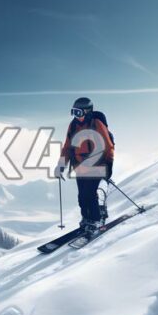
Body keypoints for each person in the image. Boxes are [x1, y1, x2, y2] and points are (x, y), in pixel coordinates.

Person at [56, 97, 115, 238]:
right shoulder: (73, 126)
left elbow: (108, 145)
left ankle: (95, 219)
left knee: (89, 194)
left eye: (79, 113)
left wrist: (109, 165)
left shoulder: (97, 123)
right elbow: (67, 147)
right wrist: (61, 165)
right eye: (73, 113)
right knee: (82, 196)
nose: (76, 116)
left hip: (97, 165)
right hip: (80, 167)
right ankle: (86, 219)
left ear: (87, 111)